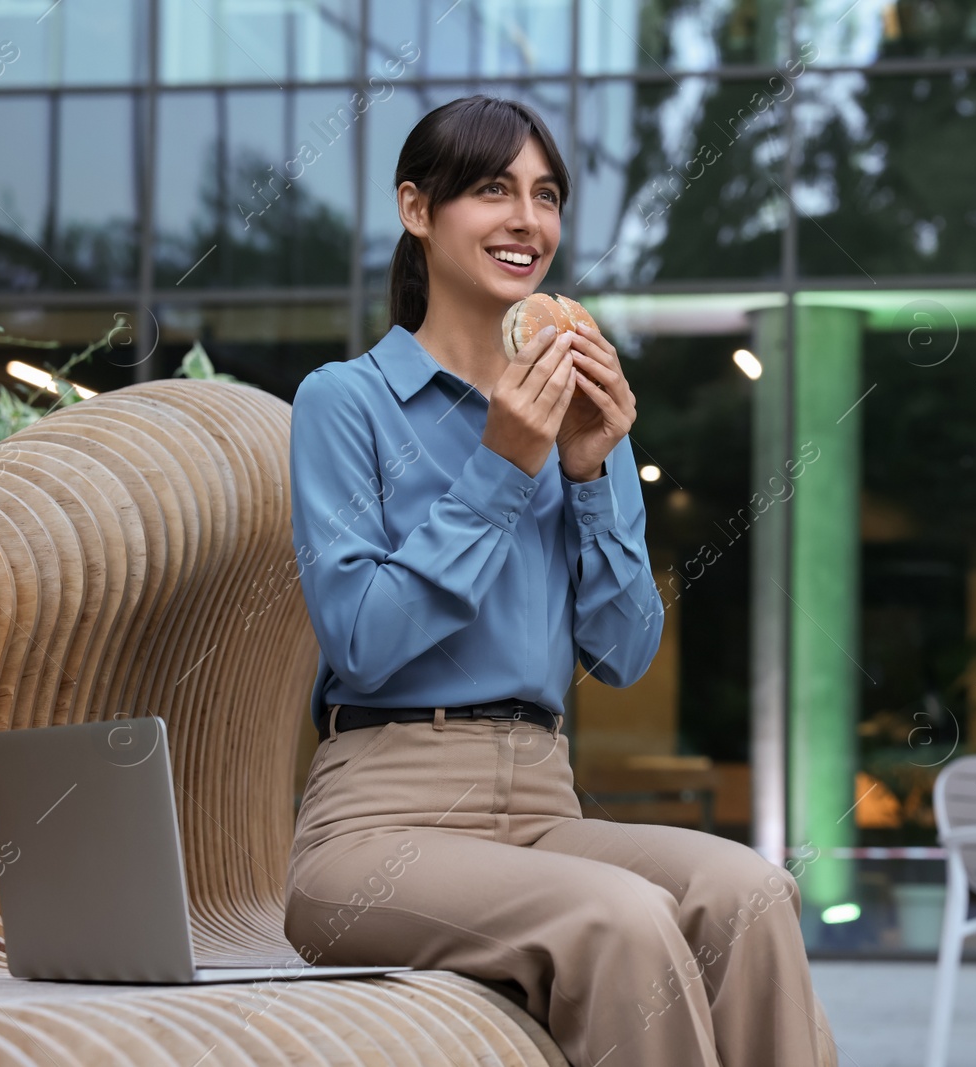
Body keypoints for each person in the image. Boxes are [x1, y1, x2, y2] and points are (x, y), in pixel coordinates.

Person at [281, 95, 838, 1067]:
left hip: (543, 805)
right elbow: (360, 641)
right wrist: (504, 461)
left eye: (546, 196)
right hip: (375, 826)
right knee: (619, 917)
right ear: (417, 209)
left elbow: (623, 653)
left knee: (748, 890)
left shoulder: (579, 407)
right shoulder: (346, 402)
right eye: (493, 189)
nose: (527, 221)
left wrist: (585, 470)